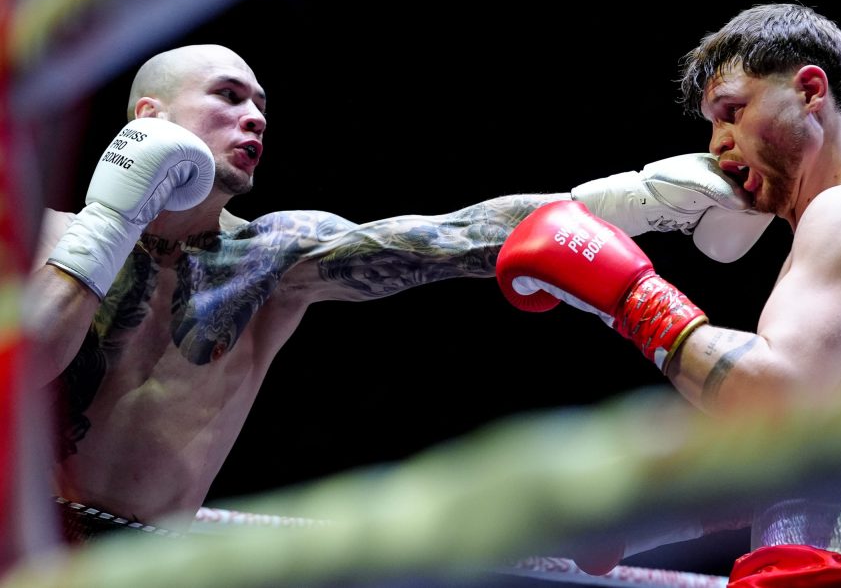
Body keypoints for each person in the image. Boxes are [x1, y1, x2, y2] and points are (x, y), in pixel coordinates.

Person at [25, 44, 772, 542]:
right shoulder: (40, 238)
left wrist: (638, 202)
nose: (255, 117)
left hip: (148, 562)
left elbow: (448, 236)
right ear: (149, 118)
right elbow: (22, 367)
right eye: (228, 96)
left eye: (262, 106)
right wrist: (108, 223)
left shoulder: (271, 256)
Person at [497, 3, 841, 586]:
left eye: (732, 111)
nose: (718, 143)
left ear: (810, 91)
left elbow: (772, 397)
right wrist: (646, 518)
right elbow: (816, 446)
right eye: (712, 124)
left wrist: (628, 293)